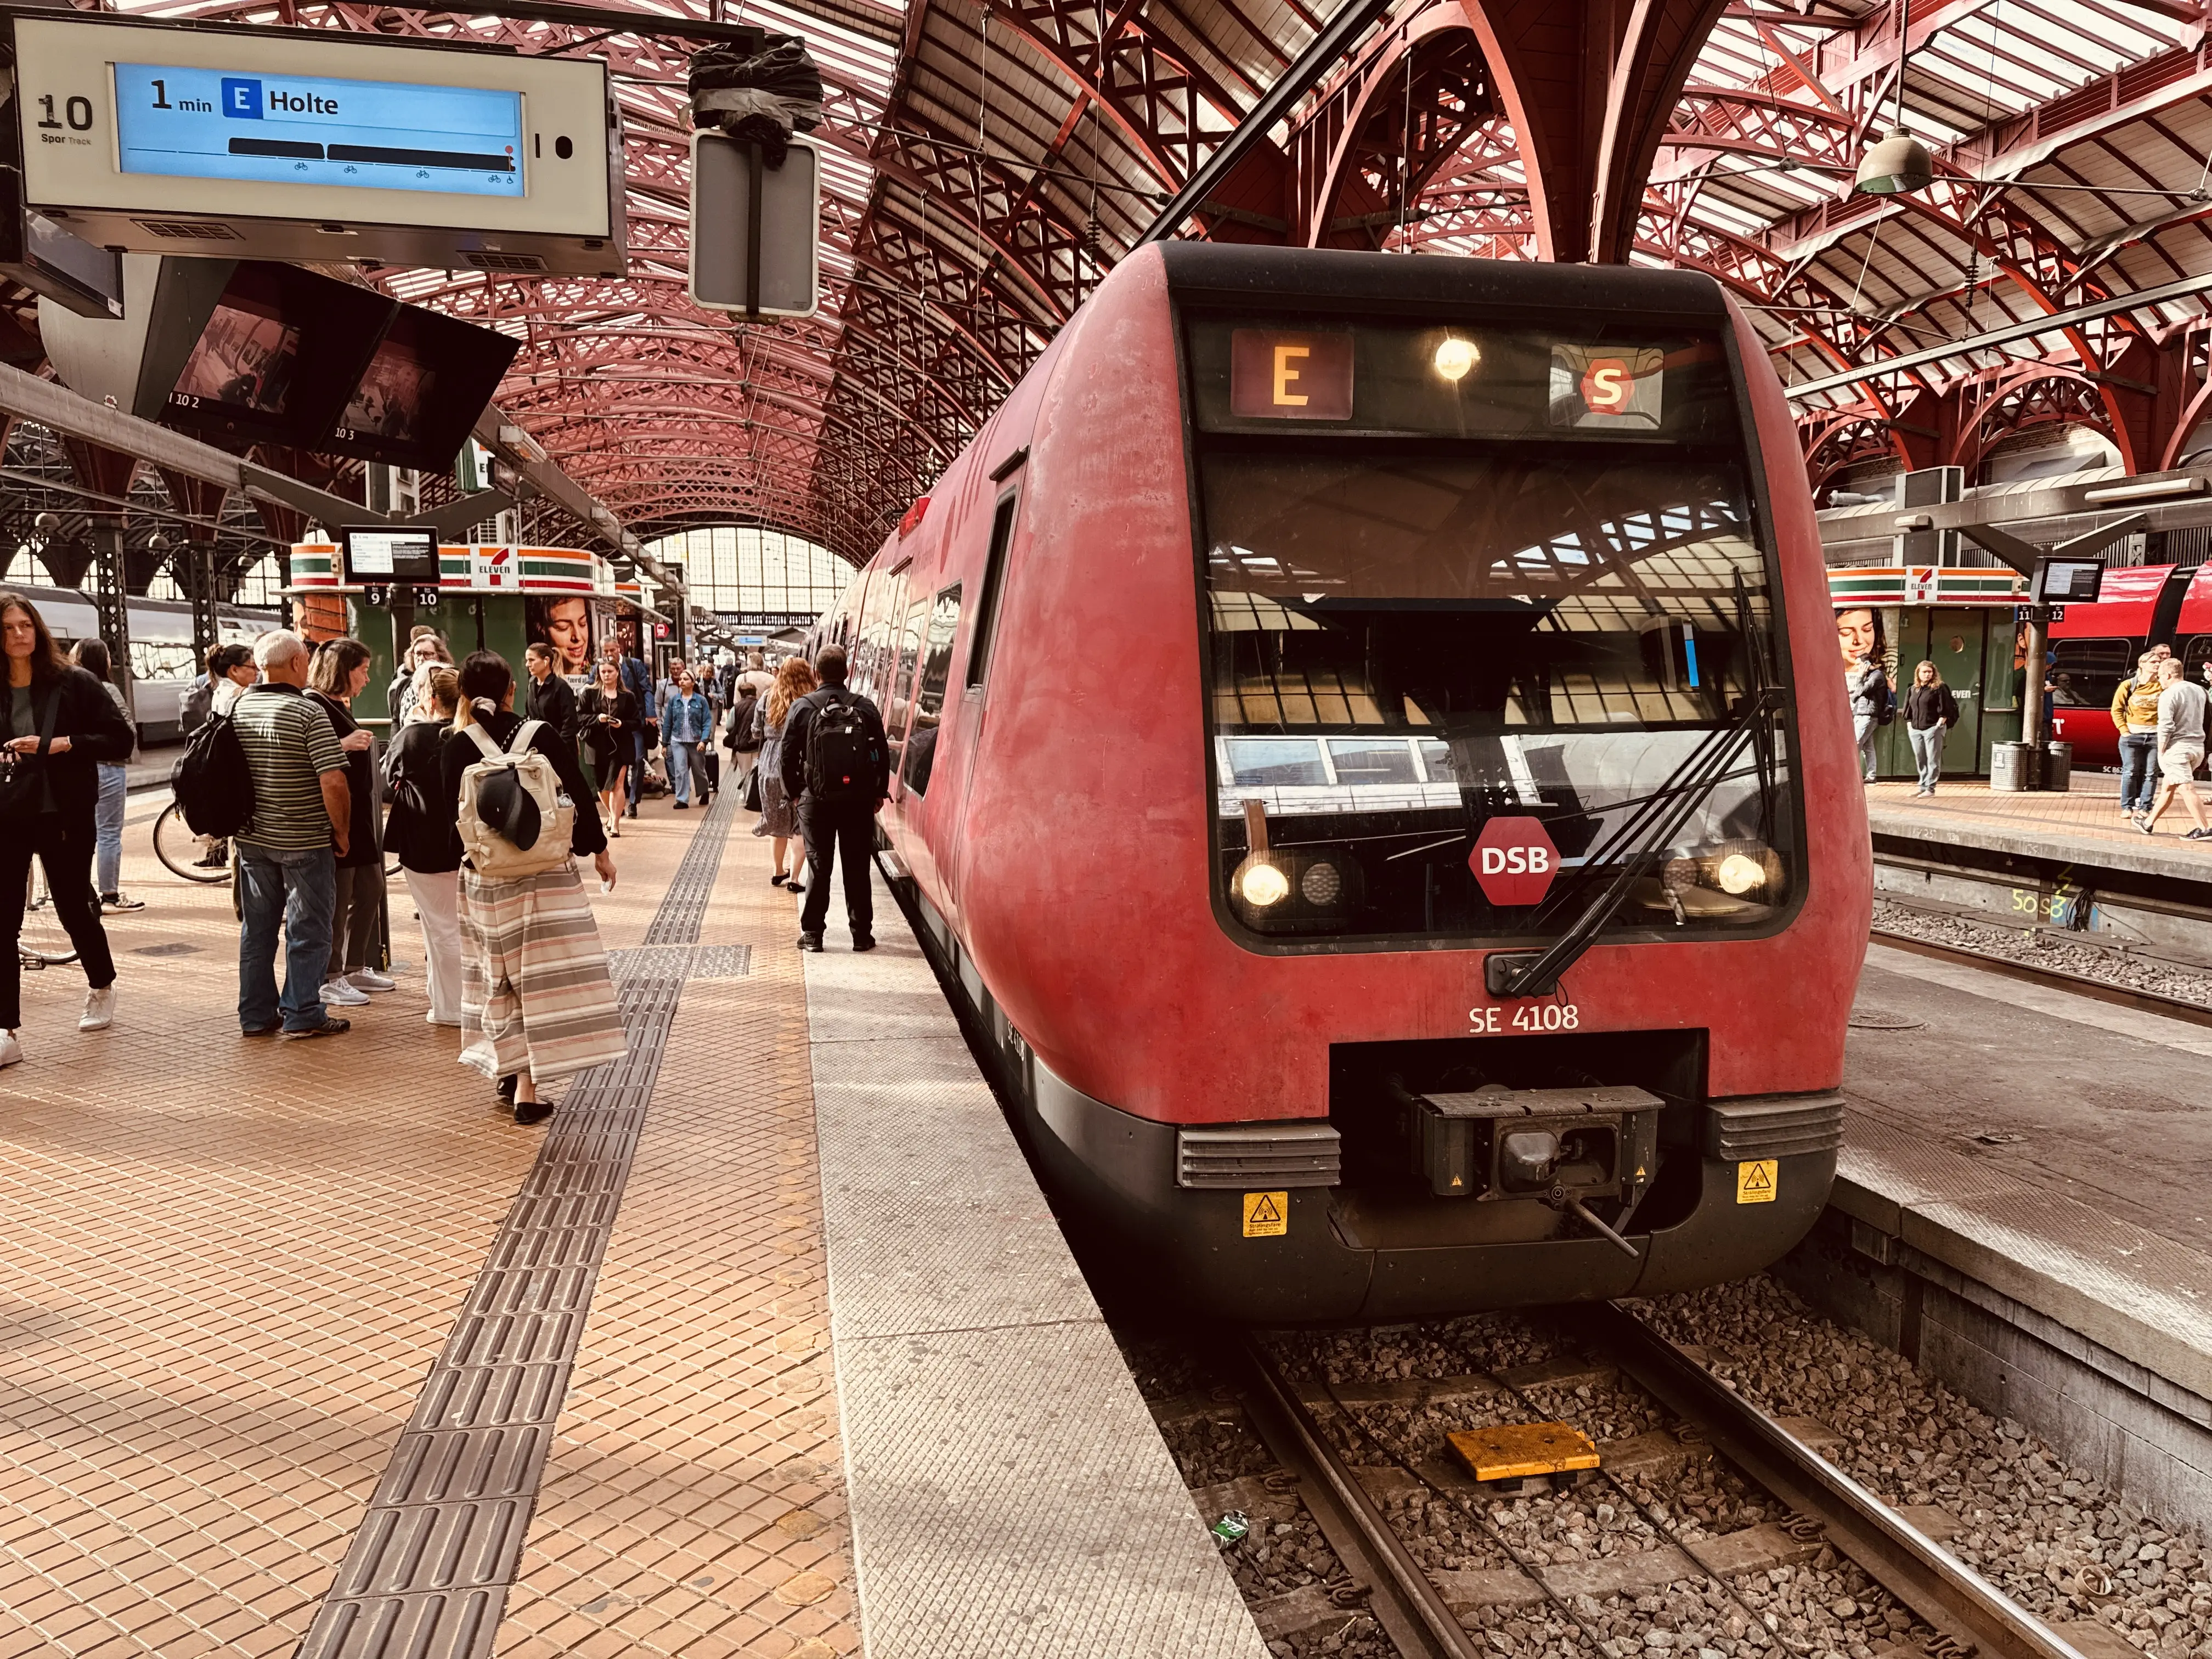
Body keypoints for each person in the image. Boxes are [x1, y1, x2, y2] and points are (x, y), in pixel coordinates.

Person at [442, 651, 622, 1125]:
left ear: (462, 694)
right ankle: (527, 1089)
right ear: (512, 690)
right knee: (540, 979)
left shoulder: (457, 746)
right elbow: (579, 795)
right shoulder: (537, 736)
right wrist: (597, 849)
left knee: (495, 976)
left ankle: (509, 1067)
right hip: (545, 880)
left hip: (486, 882)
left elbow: (451, 825)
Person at [1, 596, 134, 1066]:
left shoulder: (75, 683)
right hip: (8, 816)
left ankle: (101, 984)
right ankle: (5, 1029)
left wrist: (59, 745)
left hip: (64, 817)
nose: (19, 635)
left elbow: (122, 739)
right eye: (9, 628)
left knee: (72, 906)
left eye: (26, 625)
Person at [230, 630, 353, 1039]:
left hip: (253, 839)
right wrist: (342, 832)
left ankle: (256, 1014)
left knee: (258, 929)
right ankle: (302, 1011)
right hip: (304, 838)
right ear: (299, 663)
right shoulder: (306, 713)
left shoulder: (238, 706)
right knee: (308, 929)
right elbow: (333, 781)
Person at [780, 644, 890, 952]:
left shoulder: (802, 707)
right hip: (857, 799)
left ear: (817, 674)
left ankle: (814, 935)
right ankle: (861, 936)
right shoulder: (865, 707)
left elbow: (786, 756)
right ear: (847, 673)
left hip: (815, 800)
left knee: (818, 865)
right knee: (857, 866)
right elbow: (881, 753)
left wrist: (795, 795)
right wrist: (878, 793)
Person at [306, 639, 390, 1008]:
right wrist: (346, 744)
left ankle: (355, 964)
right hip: (337, 814)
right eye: (363, 670)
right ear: (344, 670)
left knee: (371, 886)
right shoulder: (314, 704)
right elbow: (308, 759)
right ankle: (330, 974)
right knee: (339, 897)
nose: (367, 679)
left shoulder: (337, 704)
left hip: (358, 816)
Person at [385, 665, 464, 1027]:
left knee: (440, 928)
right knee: (460, 925)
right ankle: (449, 1001)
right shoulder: (471, 735)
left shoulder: (411, 736)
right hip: (468, 843)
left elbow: (390, 778)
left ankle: (452, 1008)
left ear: (429, 699)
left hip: (422, 842)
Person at [67, 638, 144, 913]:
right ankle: (110, 895)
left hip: (79, 766)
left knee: (80, 832)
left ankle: (77, 892)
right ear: (104, 661)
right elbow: (127, 730)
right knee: (109, 832)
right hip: (109, 767)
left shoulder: (69, 687)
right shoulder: (108, 688)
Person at [2141, 657, 2212, 838]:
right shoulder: (2200, 690)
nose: (2159, 680)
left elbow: (2166, 726)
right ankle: (2148, 823)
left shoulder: (2169, 694)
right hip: (2197, 747)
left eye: (2160, 677)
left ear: (2169, 675)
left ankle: (2204, 828)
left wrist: (2161, 750)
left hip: (2177, 749)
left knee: (2186, 788)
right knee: (2168, 787)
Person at [758, 657, 813, 886]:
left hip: (769, 765)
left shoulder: (767, 697)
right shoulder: (810, 700)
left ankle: (778, 870)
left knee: (777, 824)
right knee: (800, 824)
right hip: (800, 763)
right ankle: (795, 878)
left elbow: (755, 730)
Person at [579, 657, 638, 838]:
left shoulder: (628, 696)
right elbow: (580, 717)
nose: (606, 675)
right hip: (597, 746)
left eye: (610, 671)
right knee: (602, 786)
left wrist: (622, 724)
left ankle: (615, 824)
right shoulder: (589, 694)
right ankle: (612, 814)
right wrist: (598, 719)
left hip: (622, 747)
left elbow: (636, 721)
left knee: (617, 783)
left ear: (618, 673)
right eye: (603, 671)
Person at [2112, 651, 2165, 822]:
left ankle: (2145, 807)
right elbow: (2117, 709)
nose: (2157, 665)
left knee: (2152, 773)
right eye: (2153, 662)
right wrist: (2124, 730)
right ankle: (2126, 807)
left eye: (2159, 662)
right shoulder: (2129, 685)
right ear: (2142, 664)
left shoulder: (2162, 685)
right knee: (2130, 772)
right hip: (2132, 736)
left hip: (2155, 736)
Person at [1842, 610, 1892, 784]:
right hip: (1862, 713)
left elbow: (1861, 691)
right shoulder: (1873, 675)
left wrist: (1861, 677)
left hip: (1868, 715)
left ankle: (1851, 775)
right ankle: (1871, 775)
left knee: (1856, 743)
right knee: (1868, 747)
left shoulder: (1876, 676)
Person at [1902, 661, 1960, 799]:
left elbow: (1947, 708)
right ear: (1918, 673)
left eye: (1930, 672)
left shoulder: (1940, 688)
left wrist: (1939, 725)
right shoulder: (1913, 689)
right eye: (1924, 672)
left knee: (1933, 759)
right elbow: (1908, 709)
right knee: (1920, 758)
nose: (1927, 674)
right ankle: (1922, 786)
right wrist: (1909, 724)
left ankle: (1930, 788)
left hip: (1933, 728)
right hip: (1916, 729)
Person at [611, 644, 654, 819]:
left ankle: (633, 803)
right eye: (604, 651)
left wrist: (651, 714)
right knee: (615, 764)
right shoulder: (600, 668)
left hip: (635, 723)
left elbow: (646, 690)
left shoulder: (634, 665)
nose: (608, 654)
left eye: (611, 650)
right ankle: (617, 803)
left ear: (618, 648)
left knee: (637, 760)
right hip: (613, 727)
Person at [662, 668, 713, 809]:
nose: (682, 681)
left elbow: (707, 722)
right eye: (681, 679)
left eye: (686, 679)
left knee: (699, 769)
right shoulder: (674, 700)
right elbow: (668, 722)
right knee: (680, 770)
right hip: (678, 740)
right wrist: (665, 744)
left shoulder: (701, 700)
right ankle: (682, 799)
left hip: (696, 741)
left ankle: (704, 791)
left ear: (693, 682)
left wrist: (704, 740)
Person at [386, 629, 452, 729]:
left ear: (439, 656)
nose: (421, 658)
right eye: (418, 653)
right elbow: (396, 721)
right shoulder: (403, 685)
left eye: (427, 654)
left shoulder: (446, 682)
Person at [524, 641, 579, 751]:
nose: (527, 664)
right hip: (539, 749)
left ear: (546, 661)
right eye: (527, 660)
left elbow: (570, 725)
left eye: (532, 660)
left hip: (561, 752)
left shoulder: (561, 687)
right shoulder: (532, 684)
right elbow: (528, 715)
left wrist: (557, 747)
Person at [538, 595, 592, 678]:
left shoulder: (596, 675)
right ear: (542, 630)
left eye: (583, 623)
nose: (577, 637)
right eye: (563, 627)